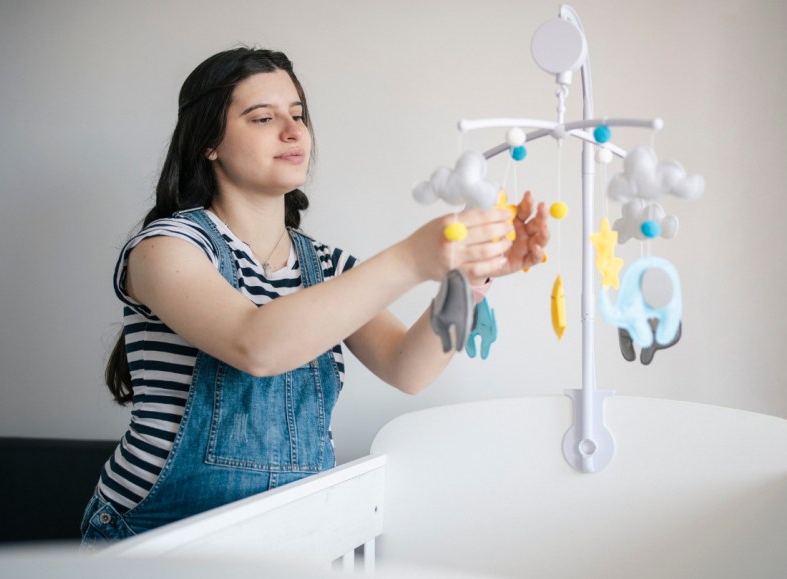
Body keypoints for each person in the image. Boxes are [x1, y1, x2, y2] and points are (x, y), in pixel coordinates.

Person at [79, 47, 549, 546]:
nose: (293, 130)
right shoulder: (165, 249)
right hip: (158, 536)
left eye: (298, 115)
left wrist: (470, 278)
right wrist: (413, 258)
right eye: (263, 117)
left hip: (290, 532)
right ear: (208, 143)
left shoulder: (325, 265)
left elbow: (407, 368)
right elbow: (254, 345)